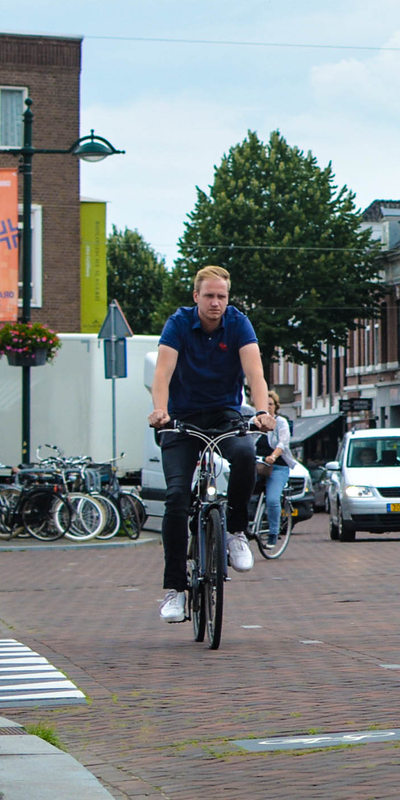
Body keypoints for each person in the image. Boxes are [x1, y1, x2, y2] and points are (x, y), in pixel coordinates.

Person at [148, 267, 273, 622]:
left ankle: (235, 531)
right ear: (196, 297)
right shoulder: (178, 324)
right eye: (209, 296)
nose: (216, 302)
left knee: (246, 453)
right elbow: (162, 373)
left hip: (224, 414)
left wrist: (262, 412)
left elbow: (255, 374)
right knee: (175, 498)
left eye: (222, 296)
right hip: (181, 418)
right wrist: (160, 410)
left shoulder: (238, 324)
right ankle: (175, 590)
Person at [256, 403, 296, 545]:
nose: (268, 406)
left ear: (276, 406)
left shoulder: (281, 422)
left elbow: (283, 443)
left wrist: (273, 456)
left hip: (277, 466)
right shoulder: (255, 421)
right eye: (265, 403)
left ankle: (273, 533)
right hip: (258, 466)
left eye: (271, 404)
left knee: (272, 500)